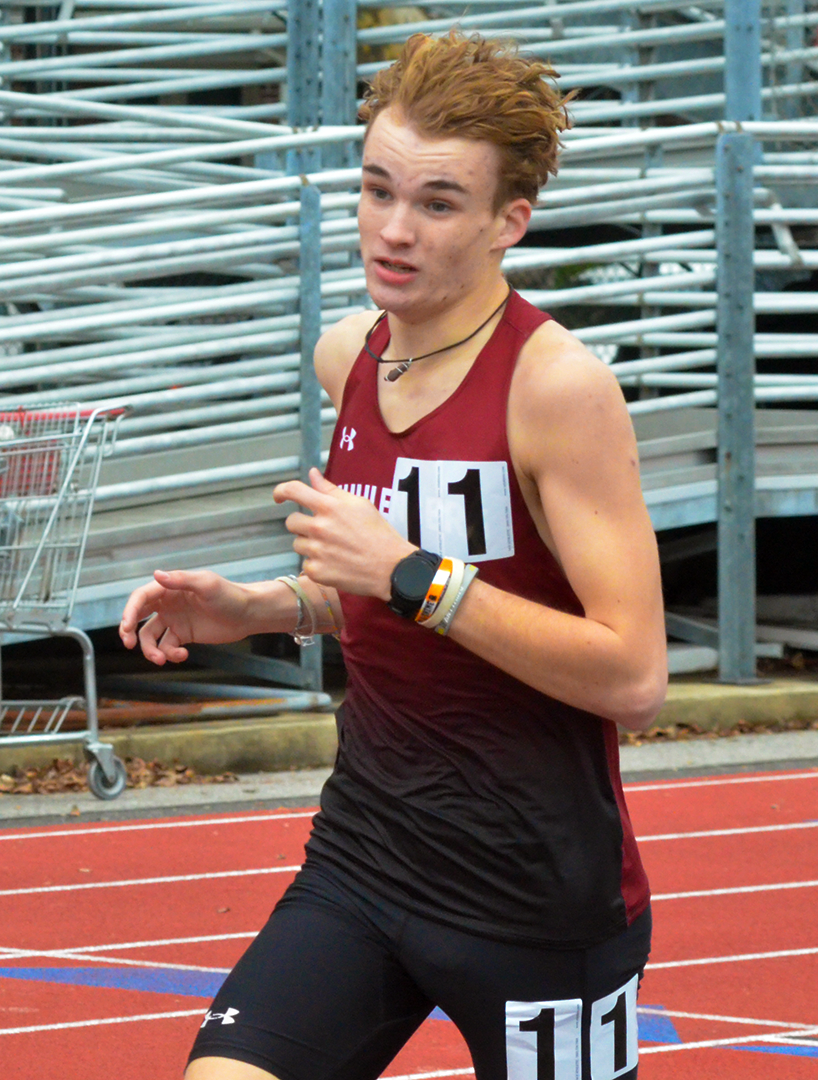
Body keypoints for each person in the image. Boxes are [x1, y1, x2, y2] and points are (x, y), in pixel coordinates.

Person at [118, 32, 668, 1080]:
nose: (394, 230)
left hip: (536, 898)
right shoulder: (349, 356)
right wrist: (259, 606)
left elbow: (635, 677)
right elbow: (380, 589)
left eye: (439, 203)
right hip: (366, 862)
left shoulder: (557, 390)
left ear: (512, 221)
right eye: (378, 190)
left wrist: (414, 574)